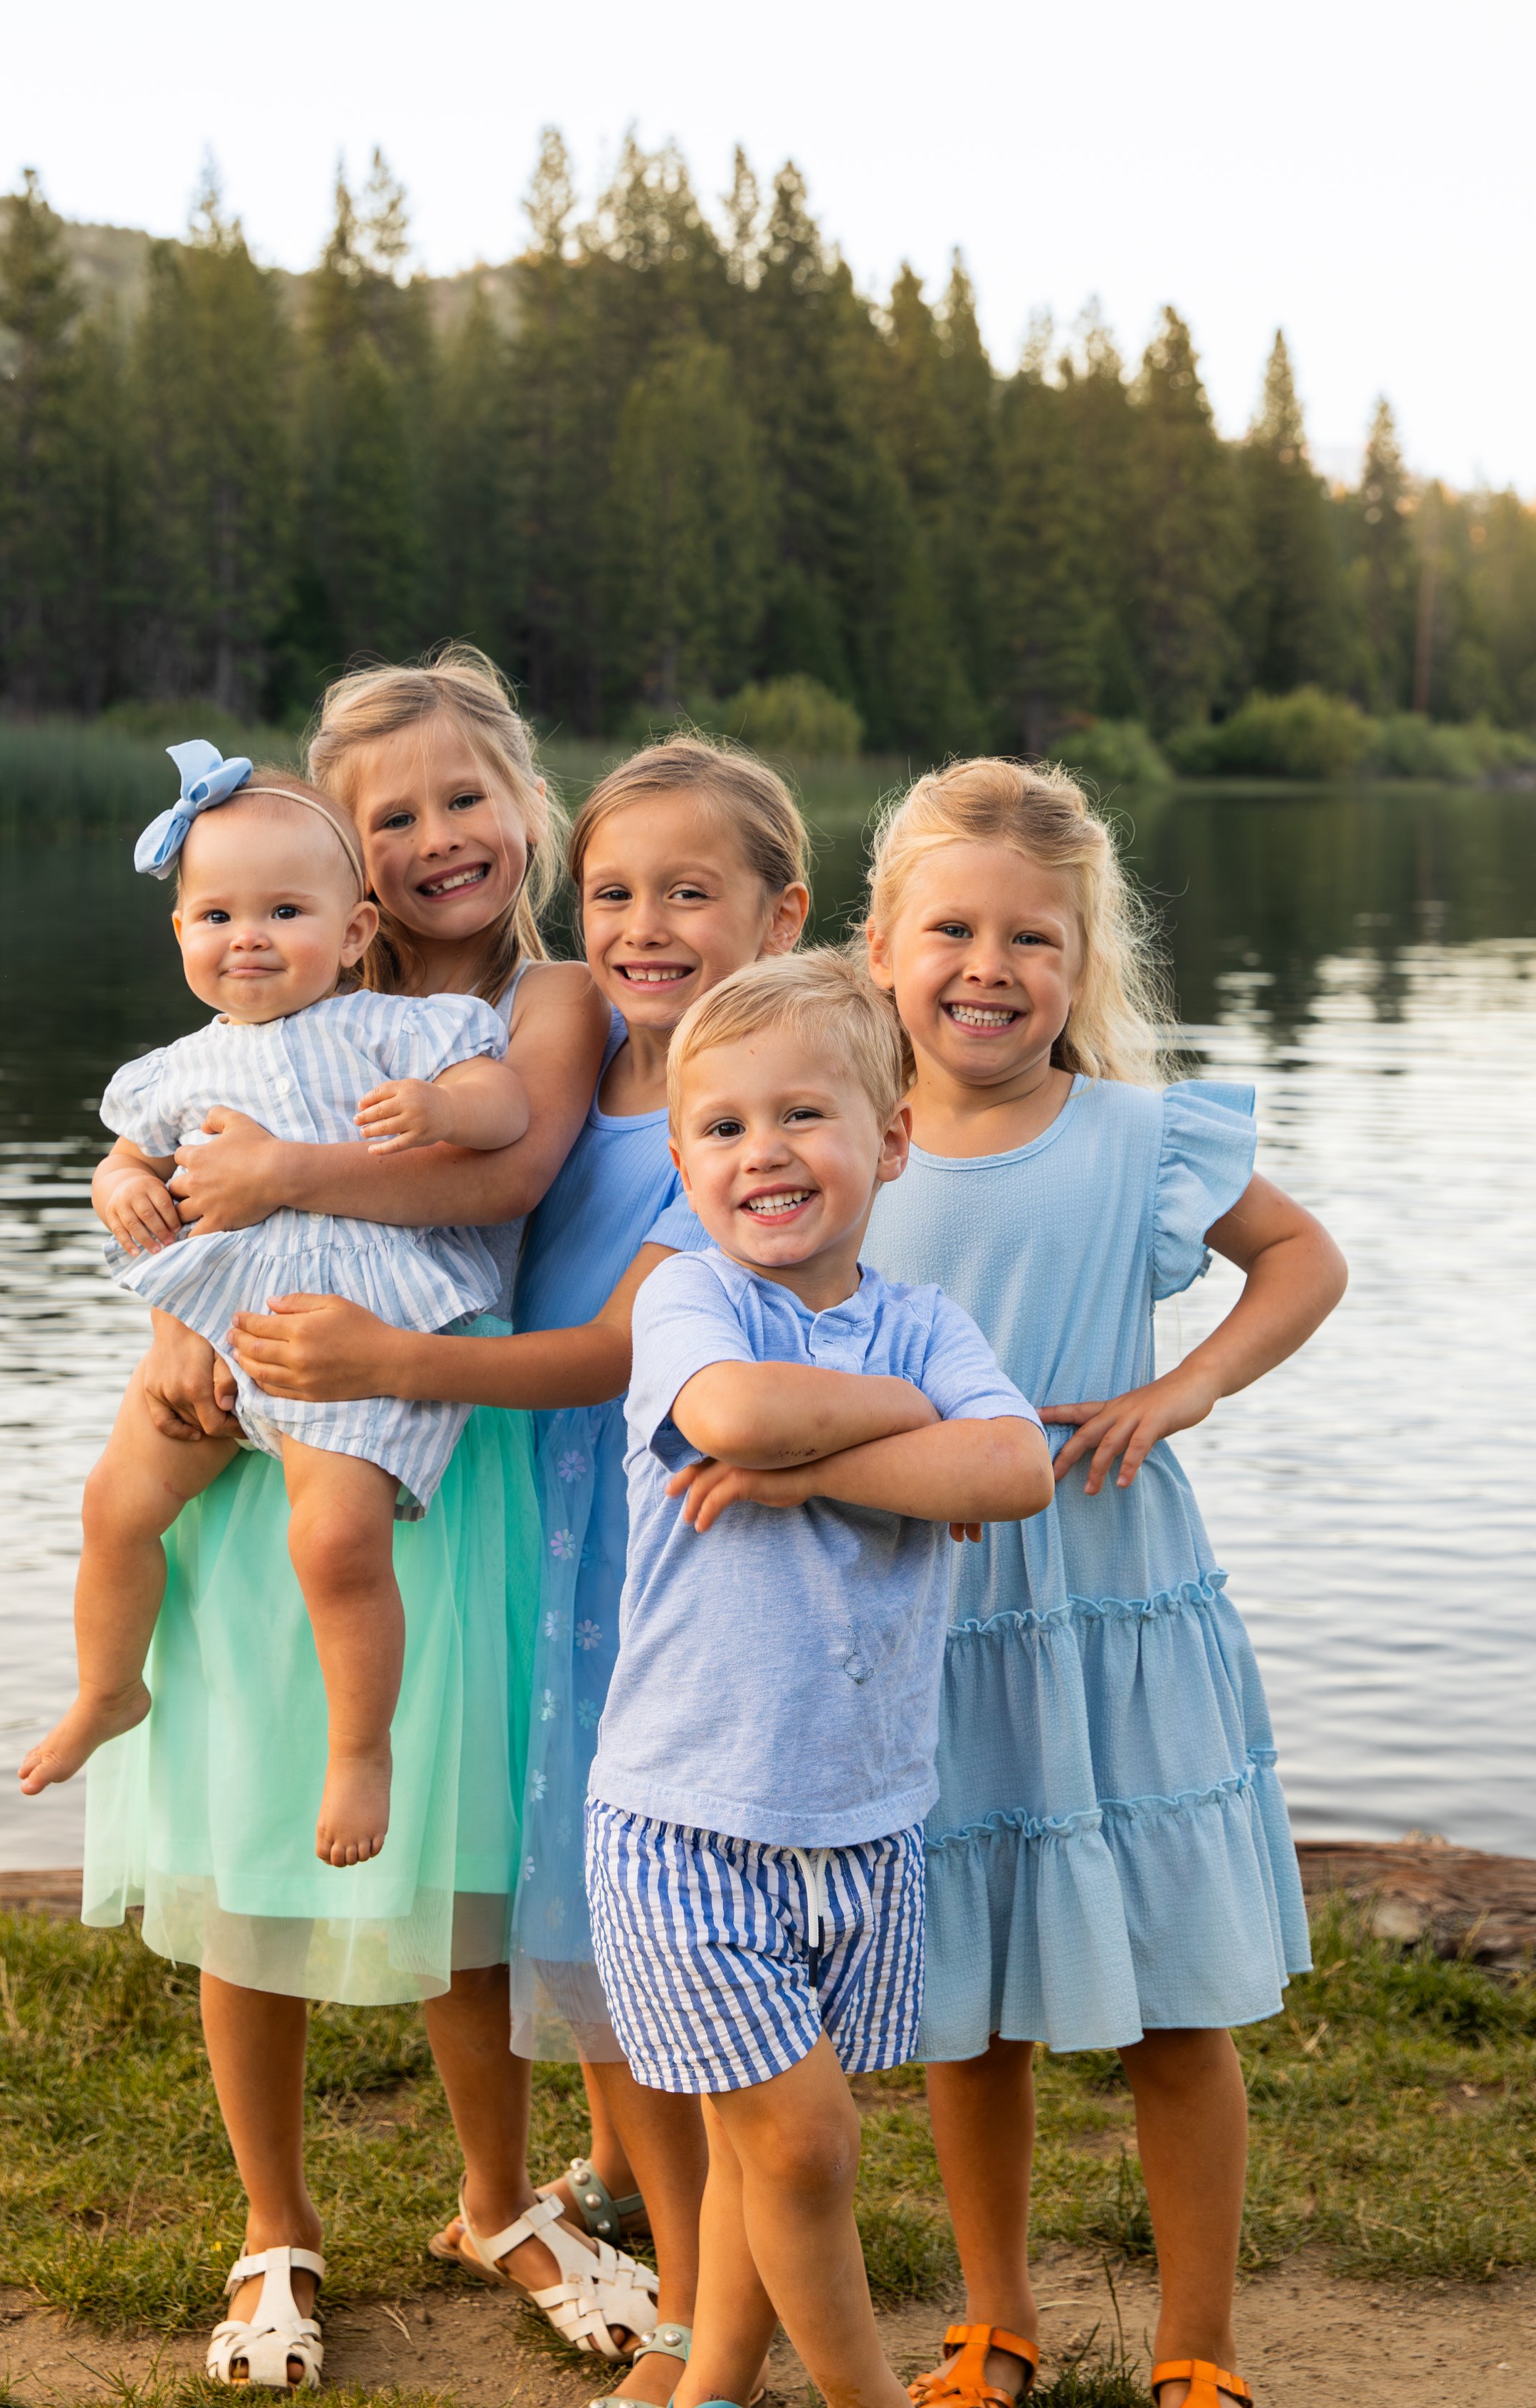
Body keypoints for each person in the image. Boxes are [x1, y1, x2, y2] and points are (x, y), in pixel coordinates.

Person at [75, 651, 654, 2389]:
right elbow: (185, 1181)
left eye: (464, 800)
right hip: (252, 1429)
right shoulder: (278, 970)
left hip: (428, 1456)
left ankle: (498, 2198)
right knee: (240, 1831)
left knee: (444, 1853)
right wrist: (173, 1306)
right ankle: (273, 2225)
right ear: (340, 849)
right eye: (390, 815)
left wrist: (288, 1178)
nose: (433, 840)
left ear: (526, 812)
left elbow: (506, 1177)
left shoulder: (536, 1006)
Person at [233, 735, 811, 2407]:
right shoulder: (563, 1055)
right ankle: (644, 2218)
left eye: (683, 894)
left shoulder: (704, 1089)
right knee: (596, 1914)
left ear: (775, 915)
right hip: (520, 1527)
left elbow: (606, 1326)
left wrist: (385, 1364)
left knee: (653, 1932)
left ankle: (703, 2315)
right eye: (616, 895)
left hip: (622, 1531)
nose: (639, 925)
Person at [858, 757, 1347, 2408]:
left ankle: (1194, 2349)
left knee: (1174, 2002)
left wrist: (1181, 1387)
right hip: (931, 1624)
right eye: (950, 929)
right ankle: (990, 2320)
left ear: (1082, 964)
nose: (985, 967)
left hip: (1112, 1605)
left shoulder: (1133, 1138)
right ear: (878, 944)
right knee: (962, 2006)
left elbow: (1302, 1260)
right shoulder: (839, 1142)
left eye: (1030, 939)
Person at [583, 950, 1053, 2408]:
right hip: (685, 1814)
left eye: (802, 1115)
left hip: (861, 1820)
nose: (761, 1152)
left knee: (754, 2144)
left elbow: (1014, 1465)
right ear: (679, 1158)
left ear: (889, 1140)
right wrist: (900, 1441)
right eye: (720, 1128)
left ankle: (708, 2389)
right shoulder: (689, 1306)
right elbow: (730, 1410)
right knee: (800, 2143)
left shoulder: (926, 1326)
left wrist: (816, 1463)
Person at [20, 753, 527, 1871]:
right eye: (217, 913)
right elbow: (121, 1160)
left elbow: (504, 1105)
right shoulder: (176, 1067)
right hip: (211, 1333)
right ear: (182, 934)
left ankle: (360, 1749)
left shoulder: (401, 1028)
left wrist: (445, 1103)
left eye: (283, 911)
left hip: (340, 1336)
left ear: (352, 933)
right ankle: (109, 1688)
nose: (246, 935)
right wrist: (122, 1186)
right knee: (114, 1503)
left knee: (336, 1538)